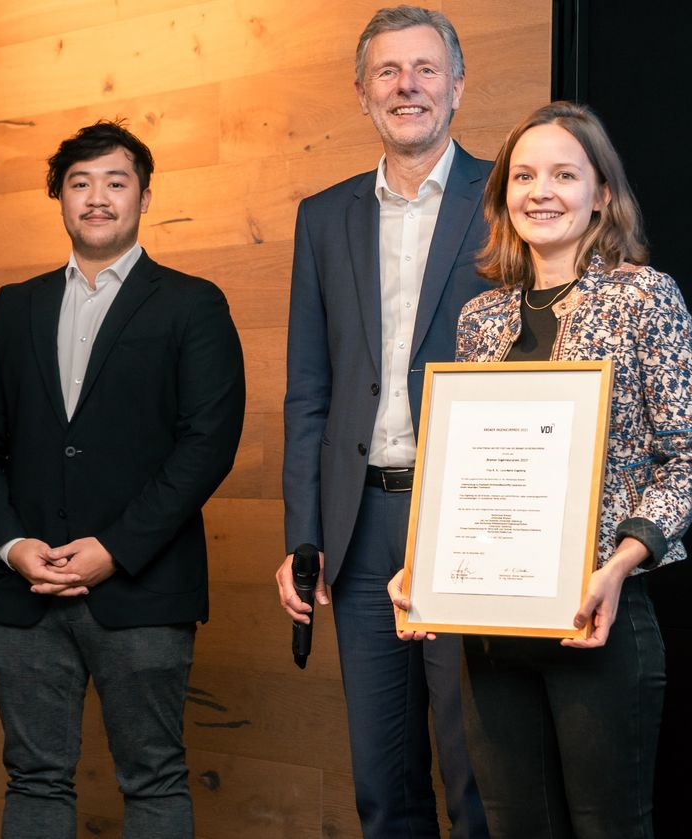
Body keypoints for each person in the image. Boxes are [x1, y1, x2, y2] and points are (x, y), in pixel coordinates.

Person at [392, 101, 692, 838]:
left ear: (601, 192)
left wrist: (621, 560)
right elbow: (462, 468)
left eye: (565, 174)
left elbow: (689, 456)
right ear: (505, 193)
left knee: (609, 828)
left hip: (594, 617)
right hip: (491, 630)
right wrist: (426, 564)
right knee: (513, 827)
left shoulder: (645, 297)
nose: (542, 190)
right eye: (525, 174)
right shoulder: (481, 318)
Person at [0, 120, 246, 838]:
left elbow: (207, 444)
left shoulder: (191, 304)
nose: (98, 197)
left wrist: (114, 547)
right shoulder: (12, 308)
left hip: (142, 588)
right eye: (80, 183)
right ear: (59, 198)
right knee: (34, 779)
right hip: (23, 590)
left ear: (144, 194)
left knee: (154, 777)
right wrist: (12, 546)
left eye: (116, 181)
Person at [276, 6, 490, 837]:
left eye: (427, 69)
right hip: (360, 527)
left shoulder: (508, 197)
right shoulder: (322, 216)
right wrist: (305, 534)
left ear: (458, 86)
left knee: (475, 775)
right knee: (382, 779)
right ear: (362, 93)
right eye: (389, 72)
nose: (409, 86)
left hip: (468, 519)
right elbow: (309, 390)